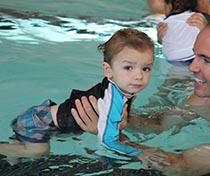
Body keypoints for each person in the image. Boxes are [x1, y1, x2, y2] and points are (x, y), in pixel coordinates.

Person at [71, 16, 210, 175]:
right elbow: (159, 124)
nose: (192, 67)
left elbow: (180, 168)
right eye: (194, 55)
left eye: (205, 60)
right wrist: (113, 116)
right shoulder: (207, 96)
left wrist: (111, 136)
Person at [0, 28, 155, 158]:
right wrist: (139, 153)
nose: (139, 76)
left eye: (146, 68)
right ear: (108, 70)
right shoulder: (112, 98)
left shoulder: (121, 88)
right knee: (39, 152)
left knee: (15, 158)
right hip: (37, 124)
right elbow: (108, 141)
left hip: (46, 120)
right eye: (128, 67)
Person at [160, 0, 201, 64]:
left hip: (174, 60)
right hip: (196, 57)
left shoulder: (164, 24)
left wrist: (159, 39)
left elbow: (165, 42)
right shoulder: (198, 18)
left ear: (169, 5)